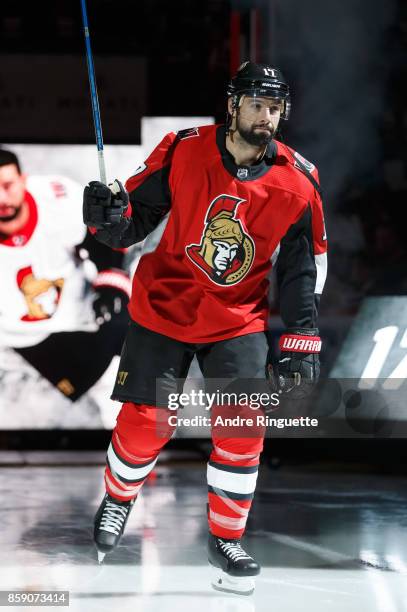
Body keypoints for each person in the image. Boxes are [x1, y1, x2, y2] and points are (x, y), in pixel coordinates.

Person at [83, 61, 328, 595]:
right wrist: (107, 219)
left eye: (275, 107)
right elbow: (131, 225)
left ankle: (226, 536)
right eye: (257, 104)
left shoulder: (298, 181)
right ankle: (119, 497)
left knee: (244, 429)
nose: (266, 116)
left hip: (237, 319)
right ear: (233, 105)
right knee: (148, 422)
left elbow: (302, 269)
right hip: (165, 307)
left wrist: (300, 339)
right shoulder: (183, 148)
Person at [0, 149, 131, 410]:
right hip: (21, 333)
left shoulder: (58, 198)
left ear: (23, 180)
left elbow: (102, 240)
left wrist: (111, 284)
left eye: (7, 185)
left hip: (81, 309)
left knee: (133, 376)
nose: (2, 198)